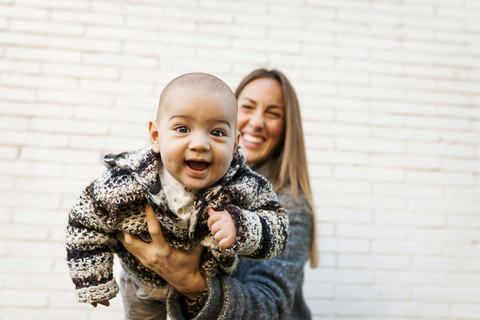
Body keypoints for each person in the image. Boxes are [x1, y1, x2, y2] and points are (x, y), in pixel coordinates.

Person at [65, 72, 289, 318]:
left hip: (207, 291)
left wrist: (242, 226)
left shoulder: (244, 185)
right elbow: (85, 218)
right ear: (156, 137)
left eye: (217, 133)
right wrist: (92, 275)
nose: (200, 143)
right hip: (144, 287)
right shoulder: (126, 181)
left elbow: (278, 227)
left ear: (235, 144)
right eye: (183, 128)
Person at [119, 69, 319, 319]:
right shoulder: (178, 186)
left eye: (273, 113)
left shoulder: (289, 206)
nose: (257, 122)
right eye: (248, 107)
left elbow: (272, 308)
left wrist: (191, 285)